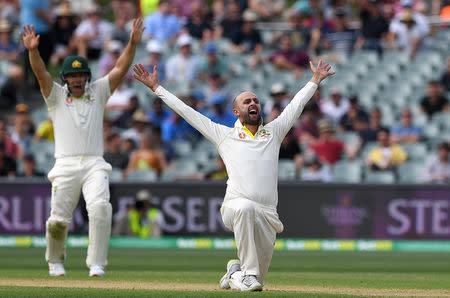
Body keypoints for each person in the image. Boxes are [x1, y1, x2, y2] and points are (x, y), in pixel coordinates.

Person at [132, 59, 334, 291]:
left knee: (258, 282)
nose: (253, 103)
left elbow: (296, 105)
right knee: (246, 215)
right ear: (237, 111)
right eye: (247, 101)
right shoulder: (224, 135)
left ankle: (234, 273)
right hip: (235, 207)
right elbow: (187, 113)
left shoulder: (274, 132)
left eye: (256, 100)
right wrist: (157, 89)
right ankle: (245, 272)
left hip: (268, 213)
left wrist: (314, 81)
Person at [21, 18, 144, 277]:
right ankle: (55, 260)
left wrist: (132, 44)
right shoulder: (55, 96)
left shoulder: (98, 92)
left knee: (100, 208)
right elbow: (41, 72)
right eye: (72, 76)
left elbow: (121, 68)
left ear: (87, 77)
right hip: (65, 164)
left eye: (81, 75)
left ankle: (96, 263)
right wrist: (33, 51)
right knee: (57, 222)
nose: (77, 80)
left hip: (94, 163)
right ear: (65, 79)